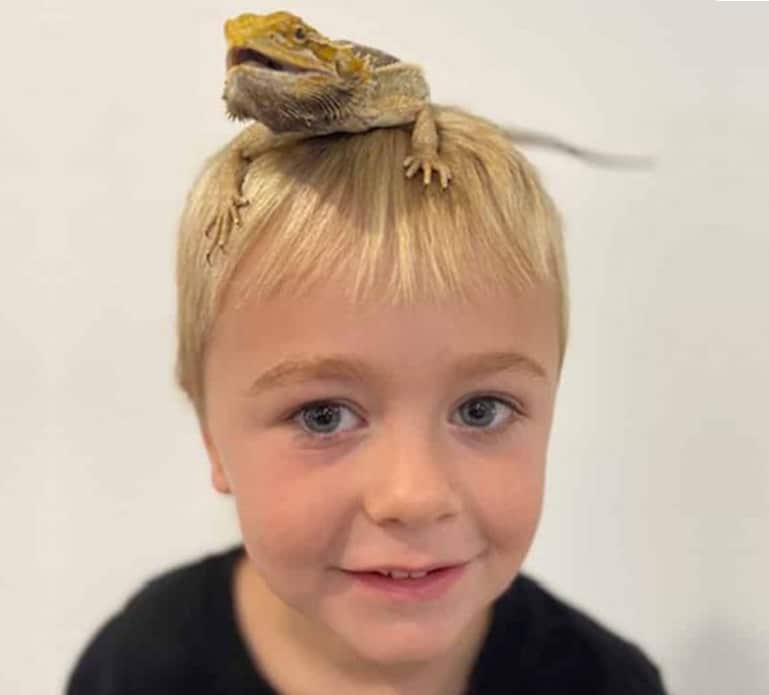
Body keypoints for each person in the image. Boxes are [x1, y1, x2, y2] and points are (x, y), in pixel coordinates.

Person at [65, 105, 668, 694]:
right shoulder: (138, 669)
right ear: (209, 435)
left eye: (481, 409)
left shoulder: (603, 680)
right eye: (323, 416)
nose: (415, 496)